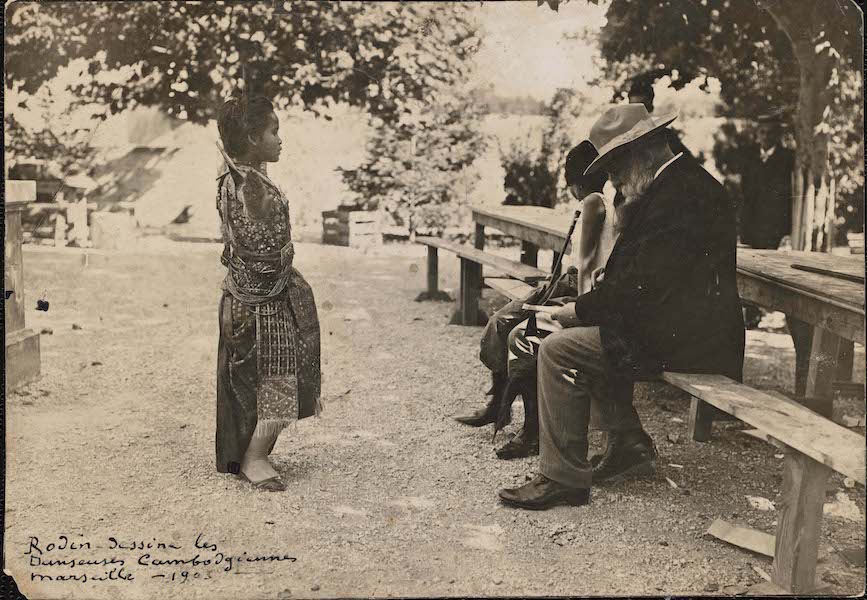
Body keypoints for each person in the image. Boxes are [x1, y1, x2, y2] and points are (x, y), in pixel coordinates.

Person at [498, 104, 745, 510]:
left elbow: (643, 285)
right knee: (585, 339)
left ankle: (563, 478)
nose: (611, 178)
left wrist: (577, 311)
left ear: (641, 153)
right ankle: (627, 442)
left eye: (615, 166)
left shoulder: (682, 196)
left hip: (692, 339)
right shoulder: (676, 185)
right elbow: (643, 280)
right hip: (679, 326)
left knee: (559, 349)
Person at [457, 141, 616, 460]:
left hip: (574, 289)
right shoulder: (594, 201)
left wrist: (580, 309)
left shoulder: (593, 202)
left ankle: (530, 427)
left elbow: (584, 264)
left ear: (575, 182)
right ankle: (498, 404)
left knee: (518, 332)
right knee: (501, 321)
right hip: (563, 283)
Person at [215, 93, 322, 492]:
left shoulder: (238, 177)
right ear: (251, 137)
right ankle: (254, 457)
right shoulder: (247, 188)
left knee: (271, 380)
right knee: (283, 381)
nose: (281, 139)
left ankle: (252, 452)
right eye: (273, 131)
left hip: (252, 296)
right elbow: (255, 211)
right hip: (262, 303)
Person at [627, 76, 692, 160]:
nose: (636, 113)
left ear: (650, 106)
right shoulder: (624, 138)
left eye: (642, 107)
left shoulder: (665, 135)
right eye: (632, 108)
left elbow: (688, 162)